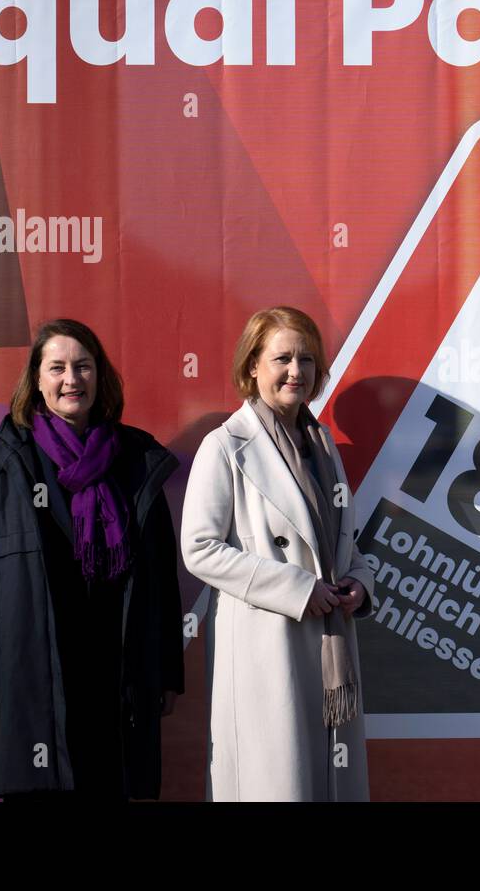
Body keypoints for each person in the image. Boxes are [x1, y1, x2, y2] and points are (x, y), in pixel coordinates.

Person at [0, 319, 184, 799]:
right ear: (36, 379)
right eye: (57, 368)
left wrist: (165, 672)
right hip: (35, 667)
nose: (71, 379)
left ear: (101, 377)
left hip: (115, 670)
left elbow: (161, 577)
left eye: (83, 366)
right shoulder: (8, 459)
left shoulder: (137, 460)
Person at [181, 307, 374, 801]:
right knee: (276, 783)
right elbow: (199, 549)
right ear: (252, 366)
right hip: (266, 649)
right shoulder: (224, 446)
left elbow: (340, 545)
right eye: (282, 358)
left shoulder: (322, 447)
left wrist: (359, 582)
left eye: (307, 359)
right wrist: (295, 589)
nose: (296, 371)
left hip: (328, 643)